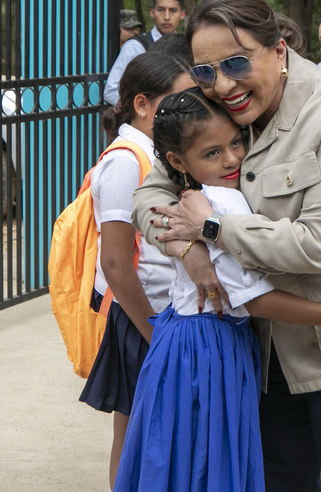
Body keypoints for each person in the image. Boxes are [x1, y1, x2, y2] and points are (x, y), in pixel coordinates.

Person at [131, 0, 321, 491]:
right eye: (205, 70)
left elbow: (319, 245)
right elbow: (151, 191)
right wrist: (187, 247)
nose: (222, 85)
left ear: (279, 48)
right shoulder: (211, 105)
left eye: (238, 63)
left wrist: (211, 229)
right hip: (263, 352)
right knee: (281, 480)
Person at [77, 51, 195, 489]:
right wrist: (154, 332)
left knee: (148, 425)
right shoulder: (128, 161)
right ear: (142, 104)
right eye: (176, 100)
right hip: (143, 315)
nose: (187, 111)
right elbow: (114, 260)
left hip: (156, 314)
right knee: (134, 430)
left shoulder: (157, 153)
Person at [105, 0, 187, 105]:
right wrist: (141, 110)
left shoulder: (186, 46)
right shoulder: (136, 46)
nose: (167, 16)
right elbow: (111, 90)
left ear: (182, 14)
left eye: (173, 10)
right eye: (161, 10)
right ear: (152, 12)